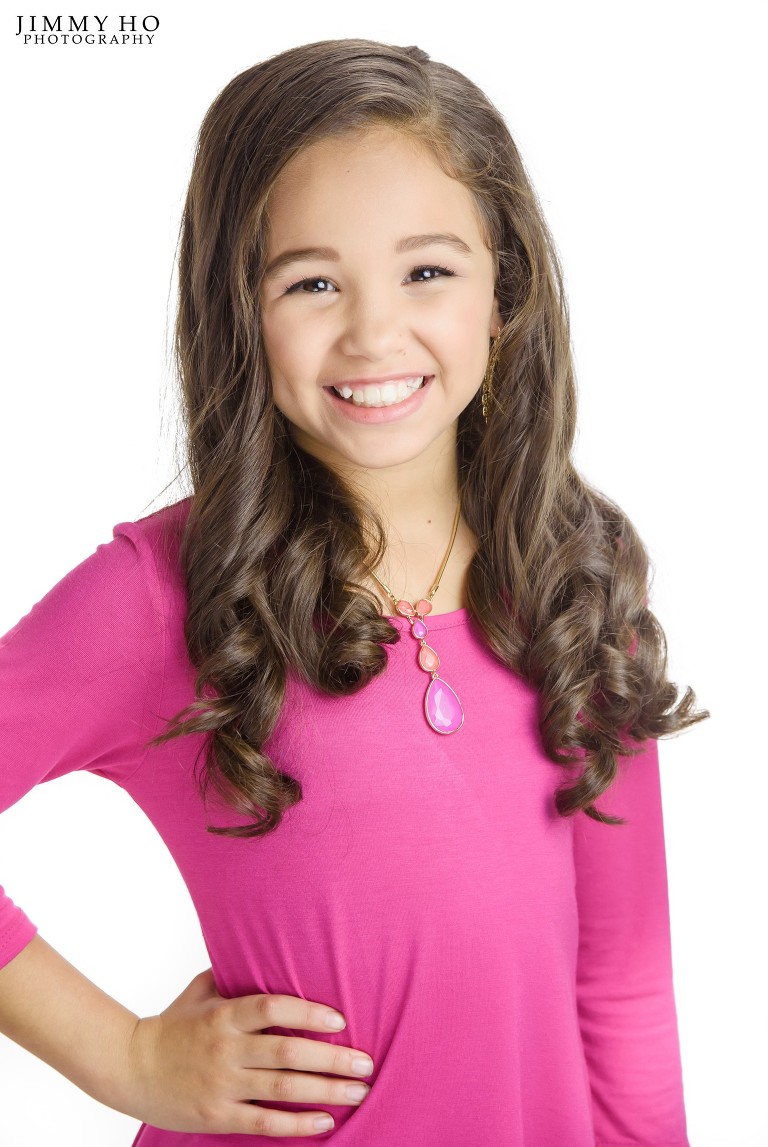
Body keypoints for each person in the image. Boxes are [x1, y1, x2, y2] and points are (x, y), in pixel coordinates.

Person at [0, 38, 708, 1146]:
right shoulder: (167, 596)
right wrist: (123, 1055)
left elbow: (622, 984)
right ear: (240, 309)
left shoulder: (577, 578)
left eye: (427, 272)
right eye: (313, 282)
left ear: (505, 292)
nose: (375, 333)